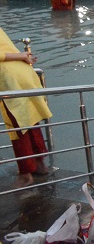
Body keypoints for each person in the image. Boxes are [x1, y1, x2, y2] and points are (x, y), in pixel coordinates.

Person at [0, 28, 51, 187]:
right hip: (22, 72)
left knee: (17, 126)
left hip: (9, 77)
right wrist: (22, 57)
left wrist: (20, 55)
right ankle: (40, 164)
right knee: (29, 120)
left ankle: (26, 173)